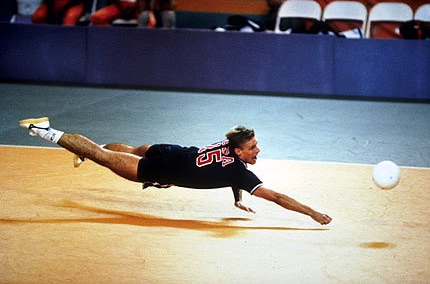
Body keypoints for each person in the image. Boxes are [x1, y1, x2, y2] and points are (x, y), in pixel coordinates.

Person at [19, 117, 332, 225]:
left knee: (124, 148)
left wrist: (236, 198)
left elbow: (230, 173)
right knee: (102, 155)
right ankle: (43, 131)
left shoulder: (230, 151)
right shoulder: (240, 172)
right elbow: (277, 197)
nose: (257, 150)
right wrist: (313, 213)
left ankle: (81, 147)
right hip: (161, 168)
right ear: (238, 151)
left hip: (170, 149)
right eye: (253, 148)